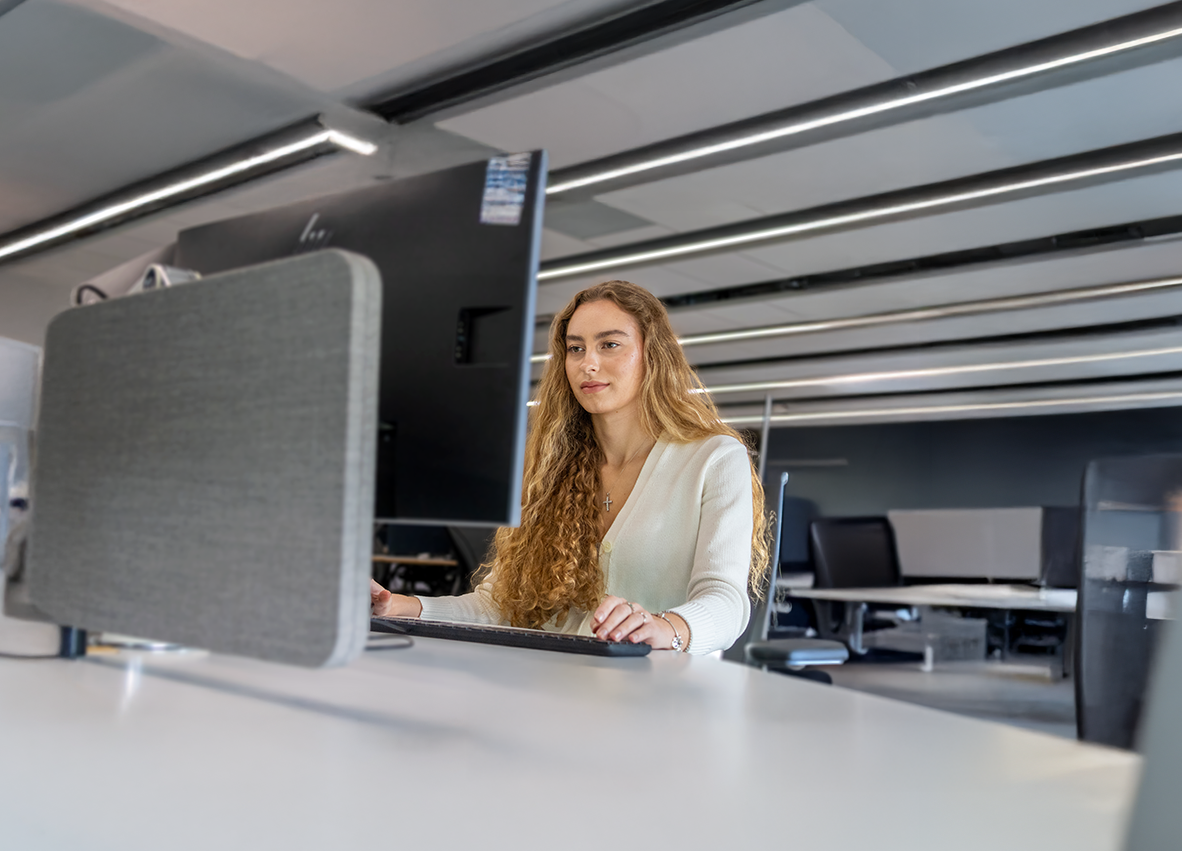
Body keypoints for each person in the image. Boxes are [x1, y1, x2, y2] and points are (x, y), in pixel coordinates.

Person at [371, 280, 769, 654]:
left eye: (609, 344)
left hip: (656, 697)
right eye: (575, 349)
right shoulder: (550, 467)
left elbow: (726, 602)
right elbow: (500, 605)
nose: (588, 364)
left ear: (652, 353)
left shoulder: (713, 459)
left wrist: (667, 628)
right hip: (554, 689)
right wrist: (401, 606)